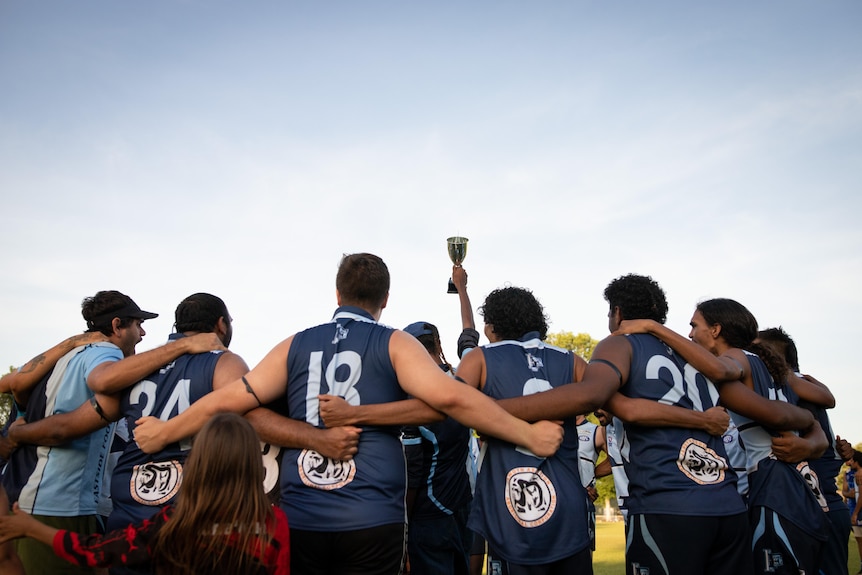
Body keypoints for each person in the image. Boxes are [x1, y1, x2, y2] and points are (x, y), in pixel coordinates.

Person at [132, 253, 563, 575]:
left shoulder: (295, 343)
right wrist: (527, 436)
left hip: (302, 515)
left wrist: (168, 428)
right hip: (373, 516)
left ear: (336, 295)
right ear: (385, 299)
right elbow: (452, 400)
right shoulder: (395, 342)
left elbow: (234, 399)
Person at [489, 275, 751, 575]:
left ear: (618, 313)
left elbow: (591, 395)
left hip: (668, 501)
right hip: (728, 505)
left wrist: (488, 410)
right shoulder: (696, 353)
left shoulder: (620, 344)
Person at [615, 296, 829, 575]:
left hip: (773, 485)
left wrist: (654, 328)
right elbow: (825, 401)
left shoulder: (736, 359)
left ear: (715, 330)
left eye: (694, 326)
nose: (690, 334)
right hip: (802, 485)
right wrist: (807, 431)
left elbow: (722, 372)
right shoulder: (775, 368)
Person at [0, 412, 290, 574]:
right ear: (253, 463)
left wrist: (32, 528)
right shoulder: (274, 523)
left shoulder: (174, 522)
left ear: (200, 461)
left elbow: (98, 551)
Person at [3, 290, 168, 575]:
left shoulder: (69, 353)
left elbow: (14, 381)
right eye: (137, 324)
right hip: (58, 504)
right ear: (117, 326)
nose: (142, 333)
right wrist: (175, 350)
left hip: (54, 500)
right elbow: (102, 380)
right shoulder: (108, 351)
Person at [758, 326, 846, 575]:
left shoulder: (788, 386)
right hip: (822, 503)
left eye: (757, 351)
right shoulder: (803, 387)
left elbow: (828, 400)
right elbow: (829, 399)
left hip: (811, 505)